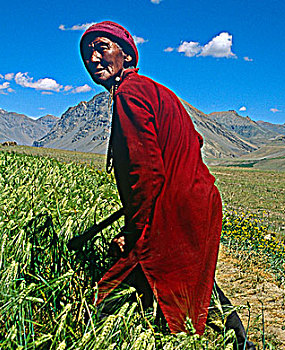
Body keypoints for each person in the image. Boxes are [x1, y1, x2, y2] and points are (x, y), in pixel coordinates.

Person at [80, 21, 254, 349]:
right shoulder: (152, 89)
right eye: (87, 53)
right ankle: (240, 341)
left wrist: (134, 233)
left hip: (173, 209)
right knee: (189, 281)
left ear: (127, 55)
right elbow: (193, 141)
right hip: (195, 203)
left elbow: (145, 174)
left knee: (106, 296)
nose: (93, 58)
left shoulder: (130, 93)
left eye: (102, 47)